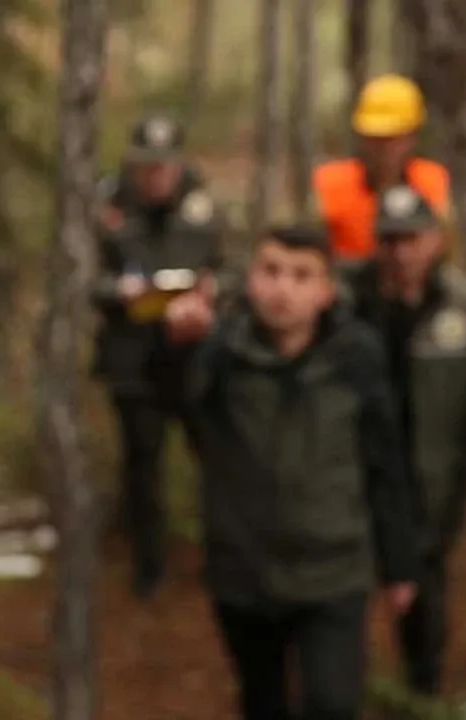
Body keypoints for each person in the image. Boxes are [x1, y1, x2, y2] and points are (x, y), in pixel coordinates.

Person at [165, 225, 419, 720]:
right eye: (272, 271)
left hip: (333, 573)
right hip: (244, 573)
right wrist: (177, 348)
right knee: (263, 704)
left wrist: (400, 565)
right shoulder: (221, 354)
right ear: (251, 279)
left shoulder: (356, 356)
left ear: (326, 292)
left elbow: (385, 463)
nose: (283, 289)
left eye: (302, 276)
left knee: (332, 704)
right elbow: (177, 416)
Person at [342, 186, 466, 697]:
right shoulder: (347, 303)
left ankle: (423, 692)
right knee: (345, 595)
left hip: (433, 484)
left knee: (424, 594)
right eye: (389, 240)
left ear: (435, 241)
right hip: (355, 479)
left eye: (412, 240)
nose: (400, 253)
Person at [90, 113, 224, 599]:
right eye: (147, 166)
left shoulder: (205, 206)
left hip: (194, 356)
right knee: (142, 468)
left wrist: (209, 297)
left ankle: (220, 560)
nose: (156, 176)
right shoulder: (107, 206)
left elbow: (231, 272)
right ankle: (149, 570)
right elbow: (85, 280)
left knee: (215, 459)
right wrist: (122, 294)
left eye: (164, 166)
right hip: (132, 361)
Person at [312, 74, 452, 260]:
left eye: (392, 138)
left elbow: (446, 251)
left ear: (413, 136)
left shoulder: (431, 181)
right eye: (373, 138)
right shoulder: (330, 183)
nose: (382, 148)